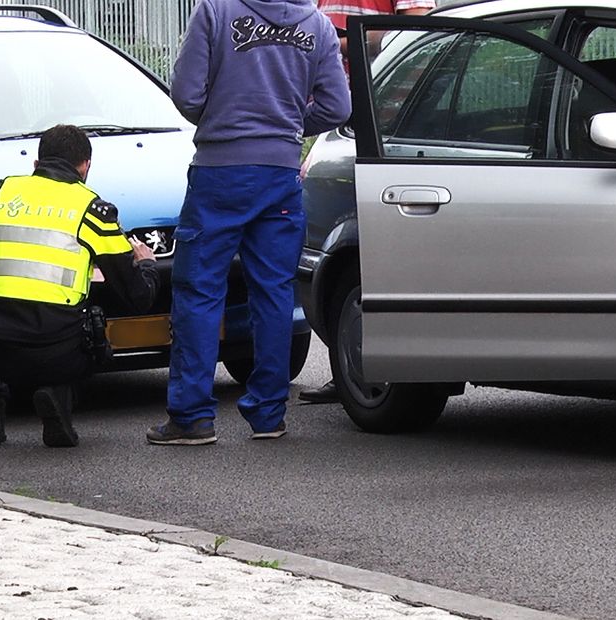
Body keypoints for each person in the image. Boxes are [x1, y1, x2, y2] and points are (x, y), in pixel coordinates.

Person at [145, 0, 351, 446]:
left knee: (200, 291)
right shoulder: (316, 24)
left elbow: (186, 95)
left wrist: (223, 118)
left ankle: (192, 416)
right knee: (275, 292)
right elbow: (337, 106)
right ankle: (268, 413)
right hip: (279, 175)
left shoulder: (214, 12)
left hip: (219, 173)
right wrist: (289, 123)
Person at [0, 124, 158, 448]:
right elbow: (136, 297)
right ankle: (58, 396)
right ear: (86, 167)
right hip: (55, 352)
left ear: (36, 165)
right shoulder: (94, 210)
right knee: (92, 320)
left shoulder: (0, 193)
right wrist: (148, 265)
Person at [298, 0, 435, 406]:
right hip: (340, 123)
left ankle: (381, 364)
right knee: (342, 251)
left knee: (381, 250)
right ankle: (346, 368)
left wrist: (345, 42)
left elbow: (417, 34)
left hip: (391, 125)